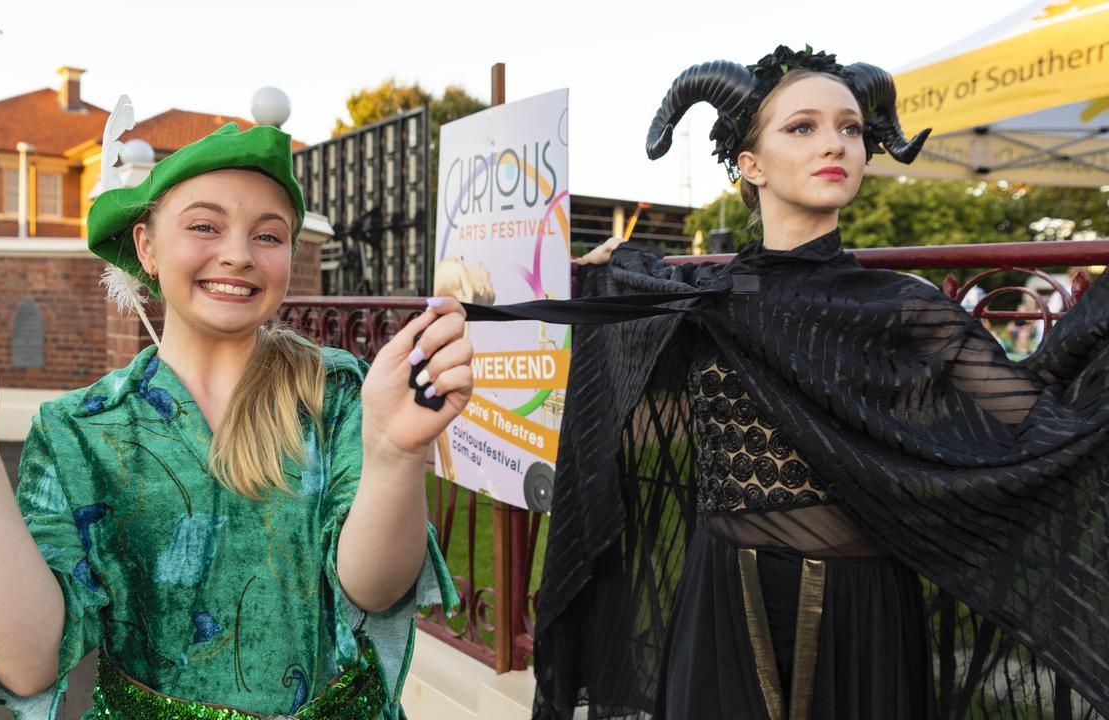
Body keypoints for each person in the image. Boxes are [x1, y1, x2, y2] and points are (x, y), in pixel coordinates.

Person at [465, 46, 1109, 719]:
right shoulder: (709, 298)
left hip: (860, 615)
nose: (835, 142)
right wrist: (605, 270)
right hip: (718, 600)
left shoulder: (899, 304)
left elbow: (1034, 428)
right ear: (751, 164)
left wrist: (1092, 325)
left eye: (851, 128)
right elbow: (610, 344)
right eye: (802, 127)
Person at [0, 123, 472, 719]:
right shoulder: (81, 429)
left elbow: (374, 591)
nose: (239, 254)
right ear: (147, 247)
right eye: (204, 226)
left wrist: (393, 452)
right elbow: (26, 665)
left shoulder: (334, 390)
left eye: (268, 235)